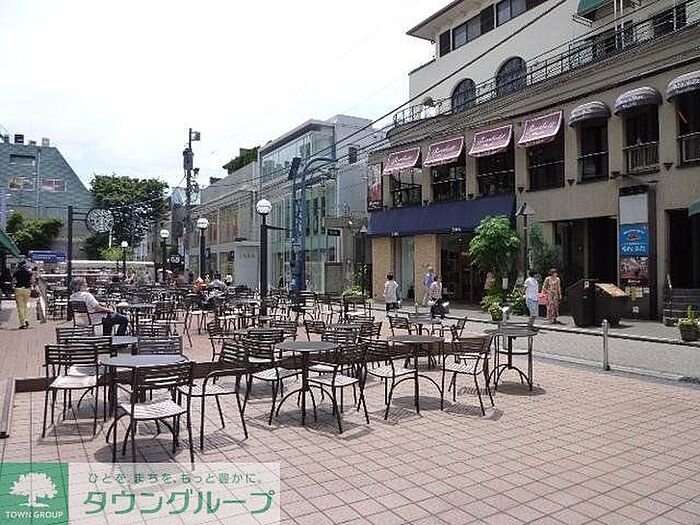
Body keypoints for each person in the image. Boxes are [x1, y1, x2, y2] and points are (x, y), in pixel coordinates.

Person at [13, 260, 33, 329]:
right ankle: (26, 319)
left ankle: (23, 323)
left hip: (18, 289)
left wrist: (12, 286)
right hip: (27, 290)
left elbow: (13, 281)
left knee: (20, 307)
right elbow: (32, 281)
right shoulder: (29, 272)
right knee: (25, 305)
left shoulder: (16, 272)